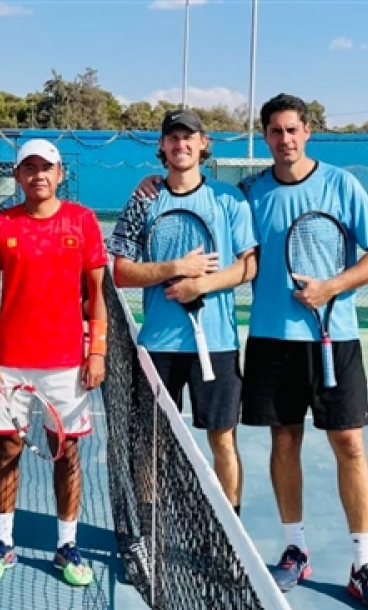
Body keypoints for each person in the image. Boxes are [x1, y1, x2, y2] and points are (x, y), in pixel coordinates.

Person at [137, 95, 368, 610]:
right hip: (271, 341)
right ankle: (295, 549)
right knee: (284, 442)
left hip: (335, 335)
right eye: (275, 132)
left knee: (349, 445)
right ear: (266, 137)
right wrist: (151, 184)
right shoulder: (250, 192)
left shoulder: (341, 184)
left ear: (308, 132)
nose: (285, 139)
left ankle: (363, 564)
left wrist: (332, 288)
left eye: (293, 130)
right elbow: (228, 232)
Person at [0, 139, 109, 588]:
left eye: (46, 167)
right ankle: (2, 544)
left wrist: (97, 351)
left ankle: (67, 544)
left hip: (66, 363)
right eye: (28, 168)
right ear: (17, 175)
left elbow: (96, 298)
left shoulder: (83, 221)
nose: (38, 175)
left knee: (66, 455)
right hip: (9, 363)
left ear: (60, 172)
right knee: (6, 451)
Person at [106, 109, 257, 516]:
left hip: (218, 344)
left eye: (189, 137)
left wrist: (200, 284)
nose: (181, 144)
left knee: (222, 438)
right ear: (161, 146)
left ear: (203, 143)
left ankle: (229, 528)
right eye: (172, 137)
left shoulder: (229, 198)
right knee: (152, 441)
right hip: (158, 345)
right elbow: (119, 272)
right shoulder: (142, 200)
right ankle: (150, 523)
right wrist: (176, 268)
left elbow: (249, 265)